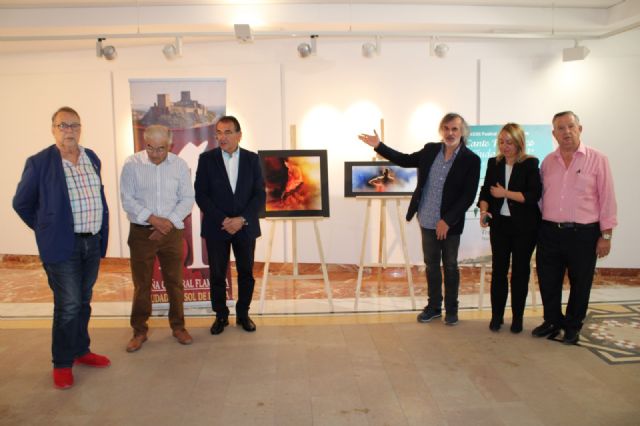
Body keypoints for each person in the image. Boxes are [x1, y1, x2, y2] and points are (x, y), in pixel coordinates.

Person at [13, 106, 110, 390]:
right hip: (62, 246)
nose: (69, 131)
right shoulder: (39, 162)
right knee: (67, 305)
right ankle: (62, 363)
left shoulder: (92, 157)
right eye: (63, 125)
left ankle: (81, 350)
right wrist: (46, 229)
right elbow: (21, 203)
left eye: (74, 125)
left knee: (83, 300)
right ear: (53, 128)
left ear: (81, 128)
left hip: (91, 242)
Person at [358, 113, 480, 325]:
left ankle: (451, 310)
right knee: (431, 265)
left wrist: (448, 220)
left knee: (450, 266)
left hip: (449, 224)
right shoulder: (431, 150)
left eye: (455, 129)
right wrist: (379, 146)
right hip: (426, 217)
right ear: (441, 130)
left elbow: (468, 196)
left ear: (462, 132)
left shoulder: (471, 160)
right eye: (447, 128)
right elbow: (405, 160)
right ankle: (433, 307)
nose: (450, 133)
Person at [533, 111, 617, 344]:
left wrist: (606, 235)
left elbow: (607, 199)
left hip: (584, 234)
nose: (566, 132)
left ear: (580, 129)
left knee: (581, 282)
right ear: (554, 133)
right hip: (549, 231)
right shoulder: (548, 162)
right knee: (548, 279)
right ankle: (552, 320)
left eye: (570, 126)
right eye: (560, 128)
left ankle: (572, 325)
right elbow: (541, 198)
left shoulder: (598, 159)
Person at [120, 125, 195, 352]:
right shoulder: (132, 164)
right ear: (145, 143)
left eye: (160, 149)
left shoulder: (179, 165)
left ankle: (178, 326)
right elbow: (127, 199)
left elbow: (187, 198)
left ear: (170, 145)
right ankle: (139, 331)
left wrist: (166, 222)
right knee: (142, 284)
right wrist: (153, 219)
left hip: (171, 232)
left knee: (175, 282)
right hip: (142, 233)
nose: (155, 154)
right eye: (150, 148)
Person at [194, 116, 266, 335]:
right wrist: (223, 220)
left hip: (245, 226)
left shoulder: (252, 159)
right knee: (217, 273)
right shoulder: (207, 159)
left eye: (227, 132)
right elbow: (201, 194)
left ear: (239, 134)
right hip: (218, 227)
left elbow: (259, 194)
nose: (222, 137)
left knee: (246, 273)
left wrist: (241, 219)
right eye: (218, 132)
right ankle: (221, 315)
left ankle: (243, 314)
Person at [478, 123, 542, 334]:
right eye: (501, 142)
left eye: (509, 142)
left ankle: (517, 318)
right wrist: (484, 210)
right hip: (500, 226)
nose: (505, 146)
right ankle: (497, 316)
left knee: (520, 273)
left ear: (519, 142)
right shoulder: (493, 163)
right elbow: (486, 192)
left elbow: (532, 197)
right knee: (498, 272)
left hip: (525, 226)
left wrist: (505, 193)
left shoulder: (530, 163)